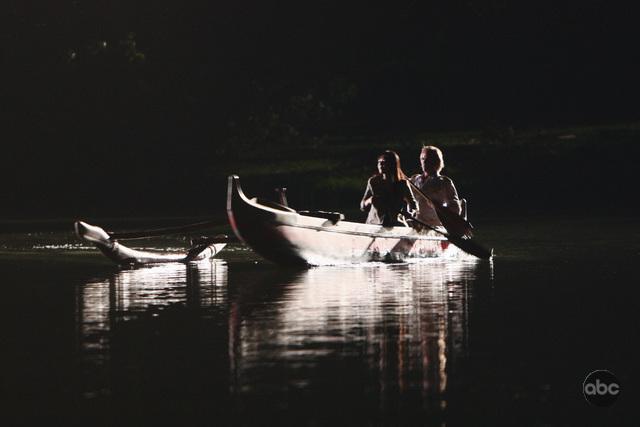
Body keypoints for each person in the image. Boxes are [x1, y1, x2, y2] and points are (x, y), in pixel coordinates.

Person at [360, 150, 417, 227]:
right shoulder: (373, 181)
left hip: (393, 225)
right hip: (373, 224)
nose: (380, 164)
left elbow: (413, 205)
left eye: (384, 162)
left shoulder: (402, 184)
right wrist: (370, 200)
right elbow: (362, 206)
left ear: (393, 165)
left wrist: (410, 213)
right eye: (379, 162)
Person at [410, 145, 462, 228]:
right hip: (415, 225)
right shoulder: (414, 180)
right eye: (423, 159)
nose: (425, 162)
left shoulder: (444, 182)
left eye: (428, 159)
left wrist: (438, 206)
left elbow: (455, 208)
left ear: (437, 161)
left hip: (434, 227)